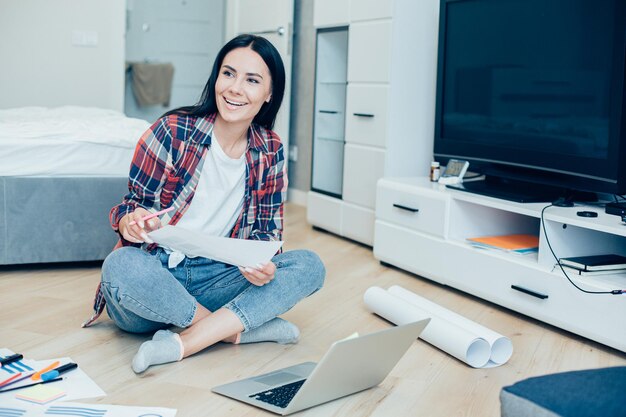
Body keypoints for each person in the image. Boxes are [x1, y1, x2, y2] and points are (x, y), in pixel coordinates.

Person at [84, 34, 326, 374]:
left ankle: (183, 342)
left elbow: (266, 237)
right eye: (228, 74)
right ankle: (235, 331)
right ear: (216, 77)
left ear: (269, 94)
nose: (235, 88)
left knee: (310, 266)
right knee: (120, 265)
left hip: (218, 278)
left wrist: (264, 265)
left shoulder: (270, 149)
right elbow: (131, 208)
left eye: (252, 80)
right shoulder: (172, 131)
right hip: (156, 280)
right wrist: (132, 222)